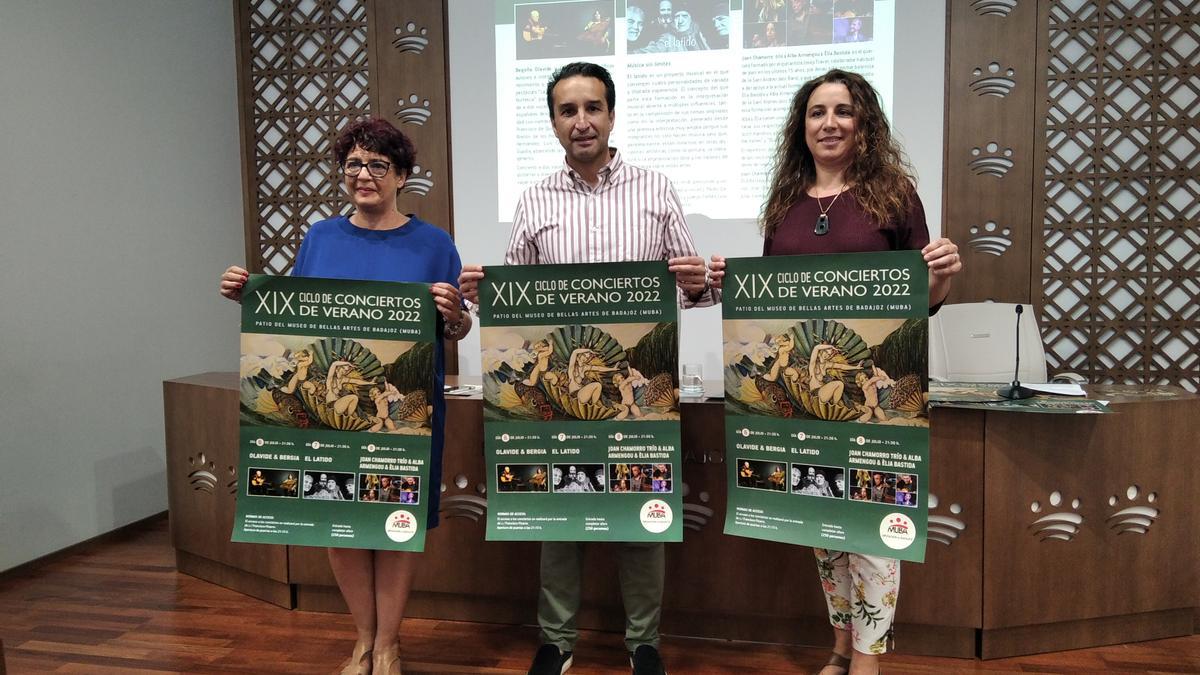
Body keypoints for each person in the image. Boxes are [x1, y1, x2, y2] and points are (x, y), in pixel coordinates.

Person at [458, 61, 713, 675]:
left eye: (592, 108)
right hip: (558, 398)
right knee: (558, 513)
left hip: (637, 394)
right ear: (552, 122)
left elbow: (691, 289)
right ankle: (556, 641)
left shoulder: (655, 188)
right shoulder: (534, 200)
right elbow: (517, 301)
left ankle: (644, 643)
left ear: (612, 114)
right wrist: (483, 293)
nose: (582, 122)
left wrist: (702, 283)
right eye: (568, 111)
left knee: (642, 514)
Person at [709, 69, 961, 675]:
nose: (829, 123)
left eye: (843, 111)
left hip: (869, 394)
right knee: (824, 524)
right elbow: (774, 304)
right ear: (802, 127)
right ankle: (841, 646)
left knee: (873, 525)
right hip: (803, 397)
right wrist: (732, 288)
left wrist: (943, 277)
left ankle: (870, 662)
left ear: (864, 124)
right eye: (817, 113)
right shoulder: (785, 204)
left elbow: (919, 297)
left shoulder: (895, 194)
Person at [218, 118, 471, 675]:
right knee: (342, 522)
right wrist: (251, 300)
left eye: (379, 165)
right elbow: (300, 322)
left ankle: (389, 644)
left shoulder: (434, 243)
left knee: (397, 522)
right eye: (354, 164)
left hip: (406, 412)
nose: (364, 175)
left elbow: (456, 330)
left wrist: (454, 317)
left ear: (402, 176)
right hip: (328, 417)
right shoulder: (320, 238)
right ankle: (362, 637)